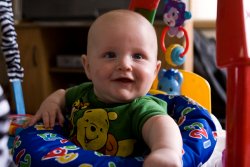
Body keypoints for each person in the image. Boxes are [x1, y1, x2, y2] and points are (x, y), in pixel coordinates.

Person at [27, 9, 182, 167]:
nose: (125, 65)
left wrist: (166, 150)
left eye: (138, 56)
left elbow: (162, 125)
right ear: (88, 67)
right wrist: (52, 104)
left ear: (155, 71)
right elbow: (61, 94)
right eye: (110, 55)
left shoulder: (141, 108)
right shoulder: (83, 93)